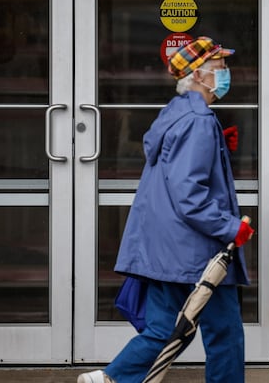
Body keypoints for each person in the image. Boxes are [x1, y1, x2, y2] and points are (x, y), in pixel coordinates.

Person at [78, 36, 254, 383]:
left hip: (166, 248)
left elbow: (176, 171)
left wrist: (217, 145)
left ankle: (110, 379)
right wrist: (230, 228)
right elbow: (190, 195)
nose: (226, 73)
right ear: (199, 76)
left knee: (161, 330)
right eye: (220, 67)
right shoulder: (199, 122)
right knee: (225, 334)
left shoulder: (178, 113)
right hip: (196, 252)